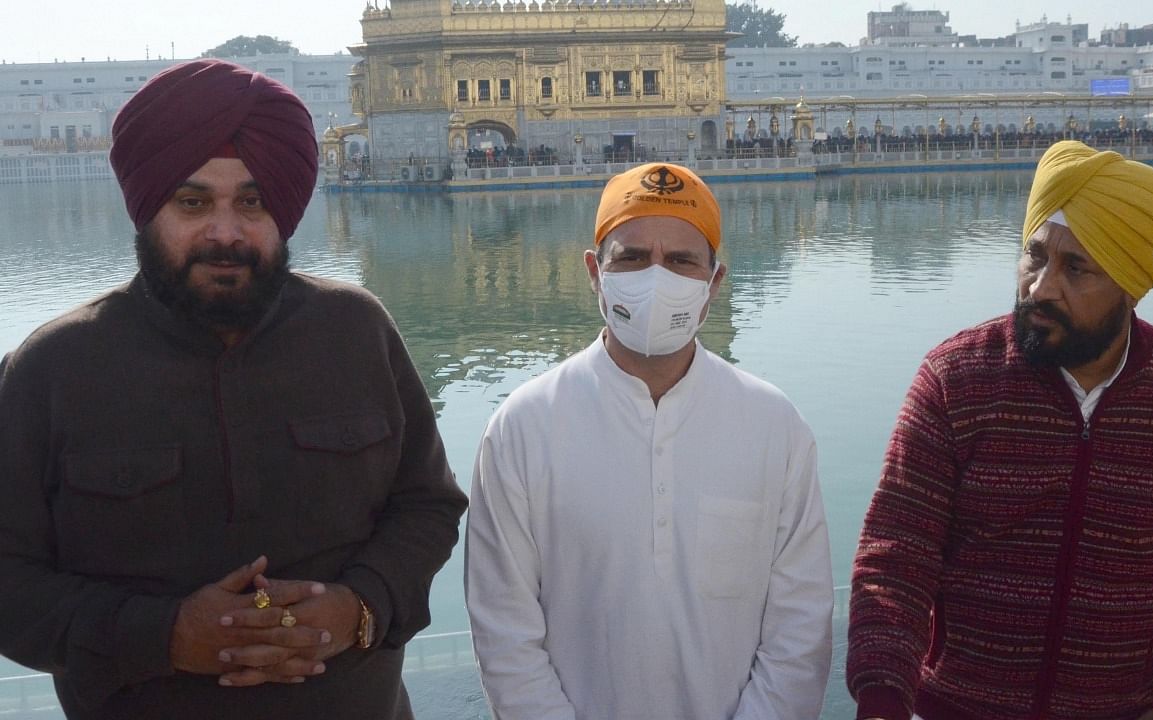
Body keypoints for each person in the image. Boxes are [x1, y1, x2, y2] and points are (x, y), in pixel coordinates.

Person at [0, 59, 468, 720]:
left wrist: (357, 608)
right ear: (148, 208)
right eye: (193, 203)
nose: (225, 231)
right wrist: (162, 637)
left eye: (252, 202)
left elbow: (426, 507)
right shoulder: (52, 369)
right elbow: (10, 582)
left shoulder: (356, 332)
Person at [846, 141, 1153, 720]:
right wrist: (881, 699)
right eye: (1035, 256)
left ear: (1130, 284)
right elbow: (897, 555)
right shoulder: (958, 379)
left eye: (1077, 269)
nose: (1041, 287)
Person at [465, 163, 834, 719]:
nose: (656, 277)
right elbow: (505, 633)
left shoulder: (774, 427)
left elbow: (799, 628)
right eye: (632, 258)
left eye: (682, 260)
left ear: (714, 281)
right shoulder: (524, 427)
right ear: (595, 271)